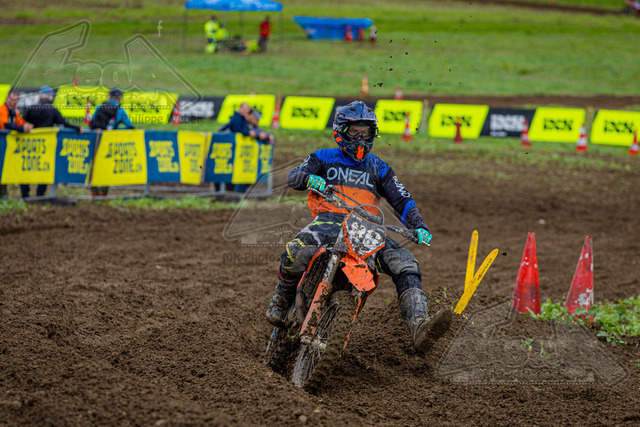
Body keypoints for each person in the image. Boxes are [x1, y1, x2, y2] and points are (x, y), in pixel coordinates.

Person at [265, 100, 452, 353]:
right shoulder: (323, 157)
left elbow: (402, 200)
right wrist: (309, 179)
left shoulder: (380, 168)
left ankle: (419, 326)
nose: (361, 138)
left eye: (366, 132)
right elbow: (293, 177)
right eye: (355, 132)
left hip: (366, 230)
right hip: (329, 221)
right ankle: (281, 299)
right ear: (341, 132)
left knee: (406, 263)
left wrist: (419, 226)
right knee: (294, 250)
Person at [20, 85, 83, 198]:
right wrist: (78, 128)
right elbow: (64, 123)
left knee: (26, 167)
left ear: (40, 95)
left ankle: (25, 194)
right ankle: (40, 194)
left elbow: (21, 123)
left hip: (29, 144)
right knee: (45, 168)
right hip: (46, 145)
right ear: (50, 97)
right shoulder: (52, 110)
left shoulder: (31, 108)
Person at [90, 88, 134, 196]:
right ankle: (103, 191)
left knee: (95, 163)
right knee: (107, 164)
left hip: (97, 137)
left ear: (109, 96)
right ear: (120, 98)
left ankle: (94, 189)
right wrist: (117, 130)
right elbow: (130, 126)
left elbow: (92, 122)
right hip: (109, 139)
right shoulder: (120, 110)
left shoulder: (100, 106)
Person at [0, 91, 34, 200]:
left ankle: (5, 197)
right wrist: (22, 129)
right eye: (11, 100)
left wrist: (27, 125)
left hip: (9, 147)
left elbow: (20, 122)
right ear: (6, 99)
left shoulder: (15, 111)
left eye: (15, 101)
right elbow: (5, 125)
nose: (12, 103)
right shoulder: (2, 109)